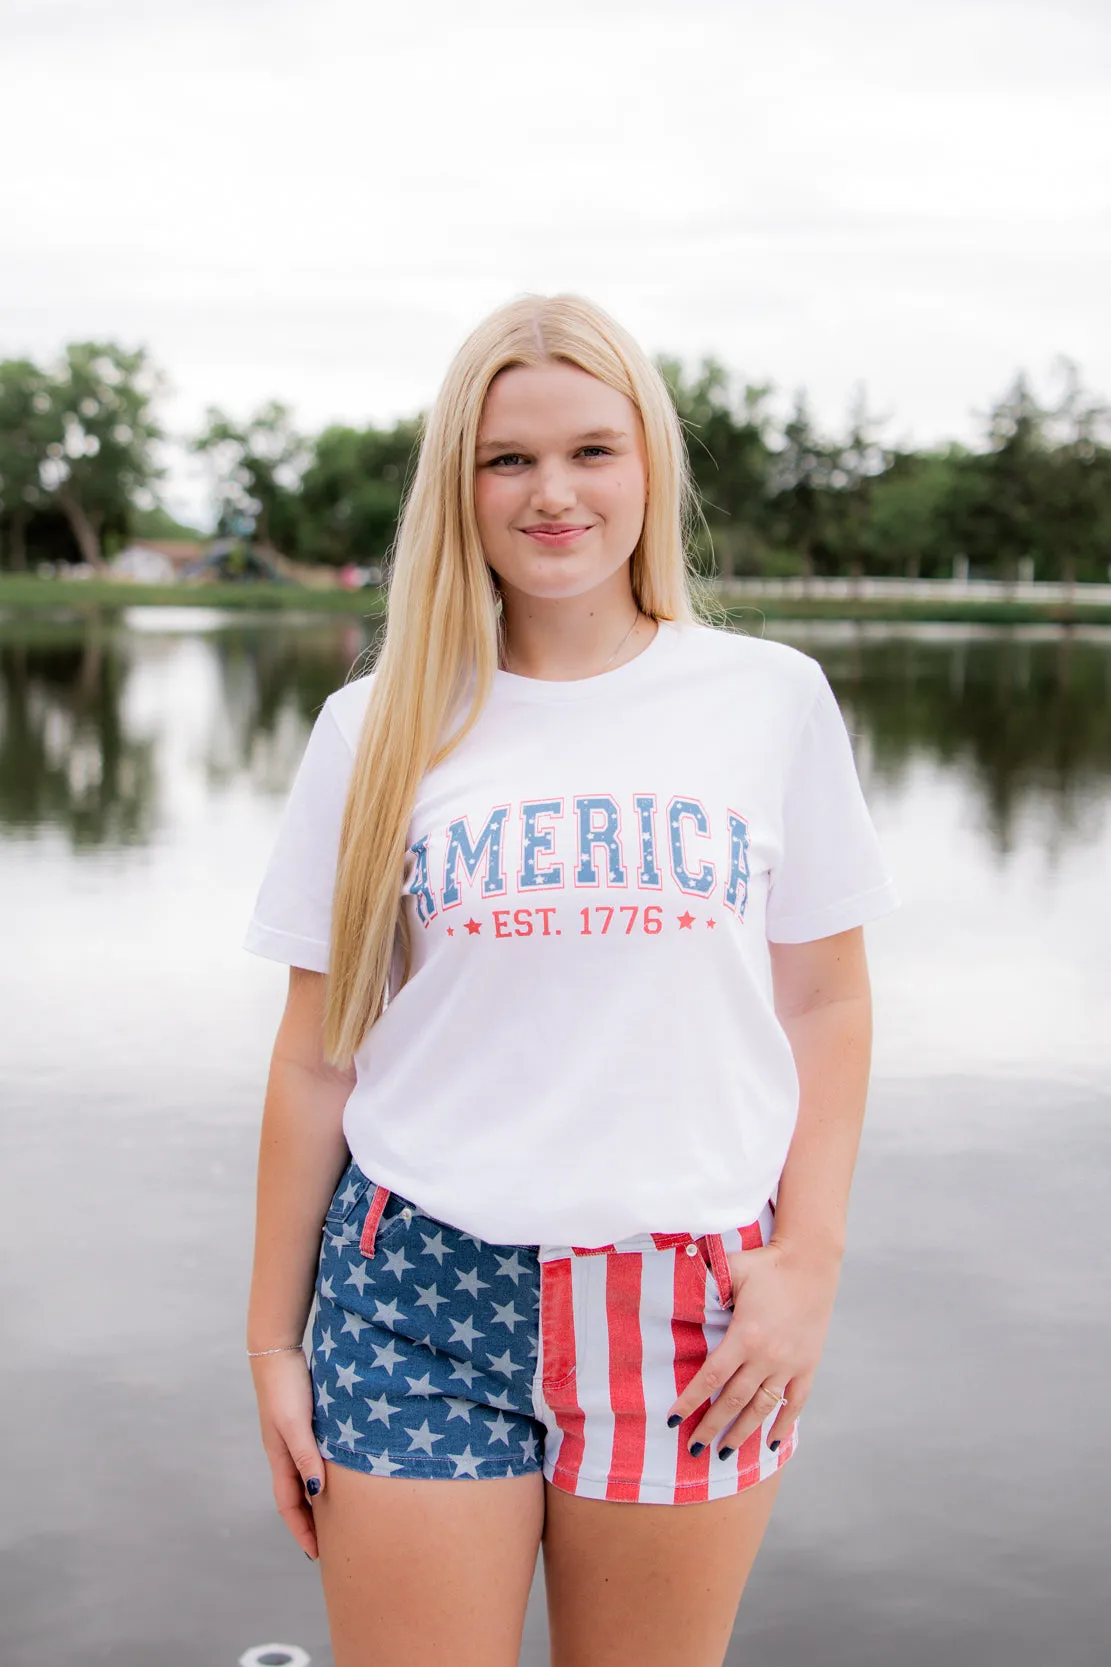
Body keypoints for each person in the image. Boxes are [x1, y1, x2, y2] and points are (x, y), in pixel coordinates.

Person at [241, 292, 900, 1667]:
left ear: (647, 463)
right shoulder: (374, 728)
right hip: (413, 1287)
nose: (552, 493)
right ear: (459, 486)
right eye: (507, 459)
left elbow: (826, 1003)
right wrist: (269, 1338)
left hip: (687, 1297)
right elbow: (316, 1053)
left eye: (591, 450)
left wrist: (806, 1262)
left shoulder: (765, 699)